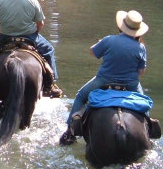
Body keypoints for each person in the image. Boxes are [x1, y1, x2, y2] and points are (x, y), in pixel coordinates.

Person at [59, 9, 148, 145]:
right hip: (131, 84)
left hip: (104, 80)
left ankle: (69, 131)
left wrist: (101, 43)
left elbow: (93, 52)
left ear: (121, 26)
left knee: (81, 96)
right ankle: (149, 131)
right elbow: (141, 71)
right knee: (145, 105)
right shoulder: (141, 47)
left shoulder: (109, 40)